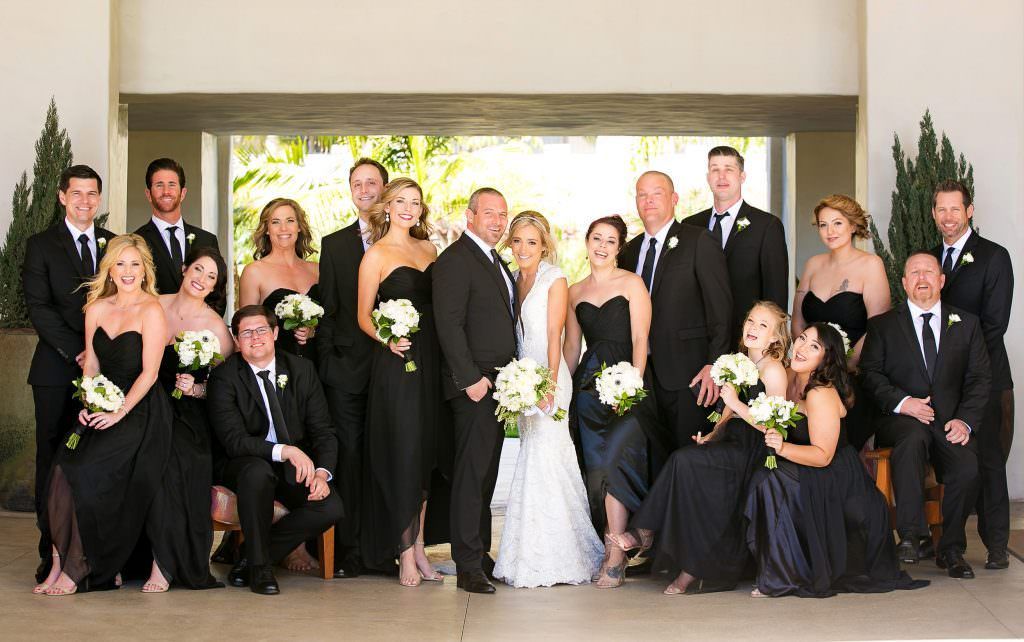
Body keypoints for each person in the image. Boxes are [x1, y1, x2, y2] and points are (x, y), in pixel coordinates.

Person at [745, 323, 927, 597]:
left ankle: (784, 576)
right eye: (802, 338)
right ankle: (775, 567)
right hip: (811, 469)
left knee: (772, 480)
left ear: (826, 359)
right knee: (761, 474)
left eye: (814, 346)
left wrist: (782, 448)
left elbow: (823, 456)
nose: (802, 348)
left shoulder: (821, 393)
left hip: (839, 482)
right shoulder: (790, 376)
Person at [34, 234, 171, 595]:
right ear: (109, 269)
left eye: (135, 264)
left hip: (139, 410)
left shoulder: (152, 310)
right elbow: (91, 365)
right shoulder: (95, 308)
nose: (128, 271)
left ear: (145, 271)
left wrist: (119, 412)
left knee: (87, 472)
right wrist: (88, 401)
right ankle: (58, 563)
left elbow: (150, 374)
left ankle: (80, 566)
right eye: (120, 263)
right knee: (60, 471)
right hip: (100, 405)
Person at [623, 301, 790, 595]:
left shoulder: (773, 370)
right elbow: (727, 414)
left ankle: (647, 533)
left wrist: (735, 402)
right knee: (686, 463)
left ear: (775, 338)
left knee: (684, 462)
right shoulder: (740, 361)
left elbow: (774, 425)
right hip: (731, 442)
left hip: (754, 448)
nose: (753, 328)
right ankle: (682, 562)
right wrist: (712, 436)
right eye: (750, 321)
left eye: (763, 325)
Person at [860, 252, 989, 578]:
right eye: (914, 273)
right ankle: (911, 535)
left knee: (967, 467)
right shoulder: (883, 326)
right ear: (904, 283)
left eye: (929, 272)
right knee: (913, 438)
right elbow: (870, 374)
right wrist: (903, 402)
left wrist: (964, 421)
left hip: (950, 421)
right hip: (900, 419)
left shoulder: (967, 323)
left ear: (941, 280)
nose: (922, 278)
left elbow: (979, 379)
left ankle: (951, 549)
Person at [493, 212, 604, 588]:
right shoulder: (512, 278)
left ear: (544, 246)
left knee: (549, 459)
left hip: (549, 379)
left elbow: (556, 335)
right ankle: (529, 552)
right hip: (524, 381)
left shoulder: (554, 278)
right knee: (533, 459)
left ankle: (560, 555)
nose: (523, 248)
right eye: (518, 241)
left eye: (532, 242)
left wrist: (550, 386)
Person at [564, 215, 672, 589]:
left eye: (611, 241)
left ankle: (617, 552)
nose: (603, 246)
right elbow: (571, 347)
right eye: (597, 238)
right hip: (588, 389)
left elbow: (641, 338)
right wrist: (561, 391)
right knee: (596, 469)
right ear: (587, 241)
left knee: (617, 460)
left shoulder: (632, 283)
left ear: (619, 247)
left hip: (629, 383)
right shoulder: (574, 291)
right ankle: (613, 547)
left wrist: (632, 385)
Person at [206, 306, 343, 595]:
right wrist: (285, 451)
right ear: (236, 340)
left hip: (291, 467)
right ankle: (260, 570)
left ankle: (250, 556)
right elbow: (234, 440)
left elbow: (323, 431)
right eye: (246, 333)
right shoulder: (224, 376)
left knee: (330, 507)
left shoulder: (301, 370)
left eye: (261, 330)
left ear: (276, 333)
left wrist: (321, 473)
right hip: (242, 463)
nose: (255, 338)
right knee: (257, 473)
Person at [23, 165, 116, 584]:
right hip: (56, 371)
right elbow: (39, 308)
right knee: (53, 460)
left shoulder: (114, 244)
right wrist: (79, 352)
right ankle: (52, 552)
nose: (84, 201)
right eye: (76, 193)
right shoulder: (41, 245)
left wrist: (102, 355)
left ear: (99, 198)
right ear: (62, 197)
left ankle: (94, 552)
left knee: (97, 459)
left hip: (108, 372)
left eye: (91, 194)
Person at [356, 178, 447, 586]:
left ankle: (421, 548)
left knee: (425, 453)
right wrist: (387, 339)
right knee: (404, 452)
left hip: (431, 360)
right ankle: (404, 552)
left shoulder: (429, 249)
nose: (409, 208)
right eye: (401, 201)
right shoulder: (375, 254)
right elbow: (362, 316)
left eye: (416, 202)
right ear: (387, 206)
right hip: (397, 362)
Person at [433, 187, 518, 594]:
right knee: (470, 477)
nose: (498, 222)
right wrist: (469, 379)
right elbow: (448, 323)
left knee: (485, 476)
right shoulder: (455, 260)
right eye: (489, 214)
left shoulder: (494, 260)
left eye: (503, 214)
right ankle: (466, 565)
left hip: (497, 387)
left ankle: (479, 552)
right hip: (474, 387)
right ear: (470, 216)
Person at [930, 180, 1014, 570]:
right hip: (942, 381)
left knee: (990, 460)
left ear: (969, 211)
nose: (948, 217)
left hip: (987, 376)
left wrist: (960, 362)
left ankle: (997, 546)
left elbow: (995, 324)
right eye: (941, 209)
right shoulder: (930, 259)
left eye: (955, 209)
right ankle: (950, 544)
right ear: (934, 213)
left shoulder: (994, 257)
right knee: (957, 460)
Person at [619, 171, 733, 448]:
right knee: (649, 456)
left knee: (688, 453)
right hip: (640, 375)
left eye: (657, 193)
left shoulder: (699, 241)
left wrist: (714, 365)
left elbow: (721, 309)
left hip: (688, 374)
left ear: (674, 199)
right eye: (642, 195)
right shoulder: (628, 251)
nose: (649, 200)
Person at [146, 246, 234, 591]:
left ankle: (163, 563)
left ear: (215, 287)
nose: (202, 279)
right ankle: (119, 559)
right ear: (184, 269)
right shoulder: (153, 304)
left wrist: (197, 388)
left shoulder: (215, 327)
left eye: (211, 277)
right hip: (145, 403)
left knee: (173, 462)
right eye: (198, 269)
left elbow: (227, 386)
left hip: (187, 414)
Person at [318, 158, 388, 578]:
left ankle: (385, 549)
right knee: (349, 457)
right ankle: (350, 550)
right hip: (345, 371)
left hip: (393, 369)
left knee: (386, 456)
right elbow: (327, 310)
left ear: (384, 189)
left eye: (371, 182)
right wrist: (328, 363)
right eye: (357, 183)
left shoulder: (408, 241)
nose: (364, 189)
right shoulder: (334, 245)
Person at [791, 194, 890, 450]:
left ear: (853, 225)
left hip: (851, 374)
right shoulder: (813, 264)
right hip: (809, 372)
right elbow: (798, 320)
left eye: (837, 223)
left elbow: (877, 327)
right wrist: (806, 365)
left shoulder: (871, 265)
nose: (829, 231)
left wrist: (841, 367)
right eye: (823, 225)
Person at [685, 146, 789, 345]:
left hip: (746, 339)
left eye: (729, 169)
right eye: (715, 169)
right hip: (698, 340)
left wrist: (770, 346)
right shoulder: (691, 225)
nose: (721, 176)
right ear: (708, 177)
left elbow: (775, 294)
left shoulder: (766, 225)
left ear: (742, 176)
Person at [134, 158, 221, 313]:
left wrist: (199, 324)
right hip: (154, 325)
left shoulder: (207, 240)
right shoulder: (136, 241)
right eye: (159, 185)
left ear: (183, 193)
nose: (166, 191)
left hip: (199, 326)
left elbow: (218, 294)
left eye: (172, 185)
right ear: (148, 194)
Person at [239, 197, 320, 362]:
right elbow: (246, 330)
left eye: (290, 220)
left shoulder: (317, 270)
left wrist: (313, 330)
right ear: (267, 229)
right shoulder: (254, 272)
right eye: (275, 222)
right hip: (277, 366)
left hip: (319, 362)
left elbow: (333, 320)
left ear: (299, 227)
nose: (283, 228)